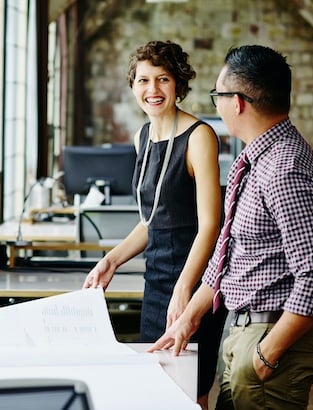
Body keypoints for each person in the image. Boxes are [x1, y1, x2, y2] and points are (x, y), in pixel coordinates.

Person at [148, 45, 313, 410]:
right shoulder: (257, 159)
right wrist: (188, 318)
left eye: (217, 95)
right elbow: (230, 254)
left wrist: (266, 355)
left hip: (270, 338)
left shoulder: (284, 168)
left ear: (236, 102)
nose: (217, 105)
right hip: (246, 332)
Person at [82, 40, 226, 409]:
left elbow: (211, 225)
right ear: (133, 87)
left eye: (163, 79)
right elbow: (152, 221)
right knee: (157, 387)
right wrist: (112, 260)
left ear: (178, 84)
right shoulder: (142, 137)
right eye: (144, 80)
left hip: (195, 281)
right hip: (156, 281)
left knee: (192, 391)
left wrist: (185, 289)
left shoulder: (199, 137)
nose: (153, 89)